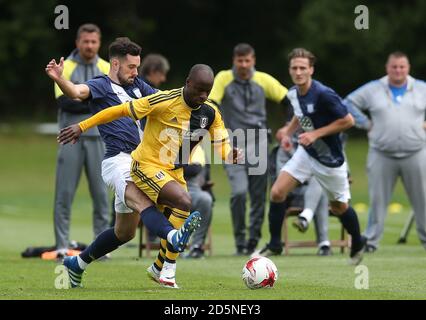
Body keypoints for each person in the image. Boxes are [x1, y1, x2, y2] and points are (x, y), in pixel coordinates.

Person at [57, 64, 243, 288]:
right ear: (187, 83)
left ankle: (77, 264)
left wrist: (230, 154)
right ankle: (166, 269)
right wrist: (83, 125)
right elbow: (120, 110)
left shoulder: (210, 113)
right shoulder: (163, 100)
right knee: (183, 202)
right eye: (199, 90)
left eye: (208, 91)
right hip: (145, 166)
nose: (203, 96)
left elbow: (221, 144)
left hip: (173, 174)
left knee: (123, 233)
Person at [46, 37, 200, 289]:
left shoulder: (139, 86)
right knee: (143, 201)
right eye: (131, 67)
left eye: (138, 67)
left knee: (124, 233)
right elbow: (75, 92)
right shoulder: (100, 85)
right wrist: (59, 78)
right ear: (115, 63)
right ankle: (173, 237)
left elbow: (164, 100)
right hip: (118, 161)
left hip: (144, 162)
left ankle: (77, 264)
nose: (136, 72)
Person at [269, 48, 366, 265]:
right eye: (294, 68)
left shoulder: (324, 94)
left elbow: (349, 121)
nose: (298, 72)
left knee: (339, 207)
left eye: (303, 68)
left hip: (330, 160)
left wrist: (315, 134)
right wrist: (287, 130)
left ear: (311, 70)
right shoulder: (293, 93)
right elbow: (298, 113)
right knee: (277, 192)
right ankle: (275, 245)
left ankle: (358, 241)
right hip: (307, 153)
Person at [209, 43, 288, 255]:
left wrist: (288, 127)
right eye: (240, 61)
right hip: (231, 142)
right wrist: (219, 131)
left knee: (258, 196)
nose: (244, 65)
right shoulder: (224, 78)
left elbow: (288, 99)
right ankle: (240, 241)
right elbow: (212, 103)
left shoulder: (262, 79)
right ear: (234, 60)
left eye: (247, 61)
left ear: (253, 60)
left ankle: (252, 241)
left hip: (259, 142)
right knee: (239, 192)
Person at [344, 51, 426, 252]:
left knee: (423, 199)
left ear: (408, 68)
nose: (398, 70)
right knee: (377, 199)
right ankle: (371, 241)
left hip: (416, 152)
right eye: (394, 67)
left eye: (402, 67)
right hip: (381, 153)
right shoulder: (373, 89)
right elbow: (347, 102)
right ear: (387, 68)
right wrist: (364, 123)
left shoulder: (421, 88)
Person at [51, 23, 110, 258]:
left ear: (99, 43)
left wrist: (80, 95)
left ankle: (103, 247)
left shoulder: (106, 67)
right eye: (85, 41)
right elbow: (64, 102)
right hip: (70, 139)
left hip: (99, 139)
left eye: (94, 42)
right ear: (77, 43)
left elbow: (111, 101)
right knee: (64, 194)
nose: (89, 46)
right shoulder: (66, 66)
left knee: (101, 196)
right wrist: (95, 98)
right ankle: (62, 245)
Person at [254, 129, 333, 257]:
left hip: (312, 191)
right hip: (292, 194)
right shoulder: (285, 147)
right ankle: (324, 243)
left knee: (319, 184)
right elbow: (282, 176)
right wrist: (291, 152)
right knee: (319, 187)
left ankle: (305, 218)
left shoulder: (320, 144)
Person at [182, 144, 214, 259]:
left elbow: (194, 169)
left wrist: (176, 166)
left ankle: (196, 246)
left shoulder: (196, 148)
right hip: (168, 185)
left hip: (191, 188)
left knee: (205, 199)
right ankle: (174, 245)